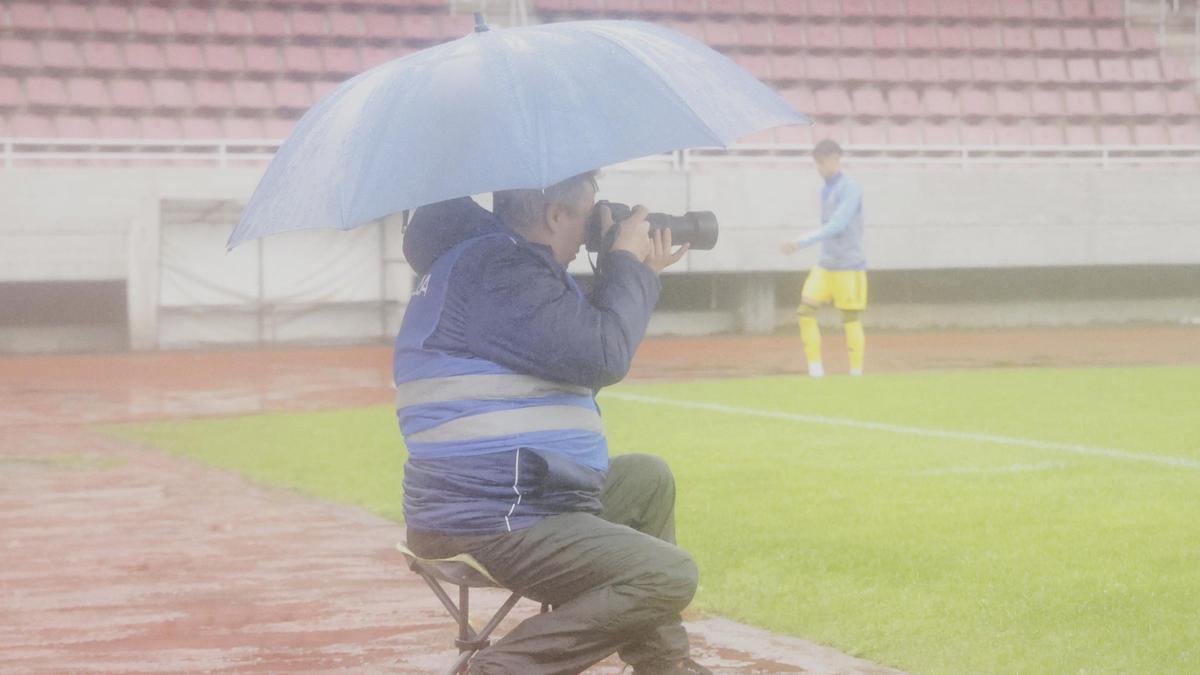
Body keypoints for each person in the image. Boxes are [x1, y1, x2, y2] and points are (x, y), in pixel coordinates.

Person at [395, 171, 710, 675]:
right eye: (588, 215)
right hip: (490, 516)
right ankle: (506, 668)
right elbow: (604, 355)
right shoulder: (502, 272)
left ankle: (662, 664)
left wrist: (629, 273)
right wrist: (626, 263)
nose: (594, 228)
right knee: (668, 574)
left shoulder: (487, 264)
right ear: (555, 214)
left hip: (504, 498)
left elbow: (578, 369)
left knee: (646, 479)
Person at [780, 139, 867, 378]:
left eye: (823, 162)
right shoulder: (825, 189)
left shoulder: (850, 188)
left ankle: (856, 373)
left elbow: (837, 225)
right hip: (826, 264)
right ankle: (815, 370)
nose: (820, 168)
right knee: (804, 311)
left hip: (849, 265)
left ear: (836, 159)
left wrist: (800, 242)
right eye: (817, 163)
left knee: (850, 318)